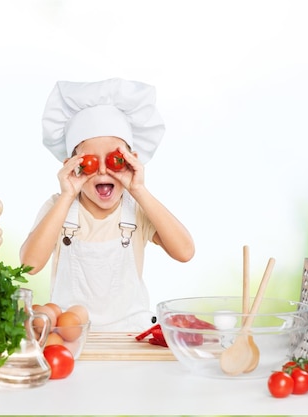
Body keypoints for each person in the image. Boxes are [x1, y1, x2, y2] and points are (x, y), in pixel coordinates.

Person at [20, 78, 195, 332]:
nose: (103, 170)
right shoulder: (58, 207)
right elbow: (29, 265)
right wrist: (68, 195)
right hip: (73, 340)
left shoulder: (137, 208)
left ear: (132, 160)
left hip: (130, 336)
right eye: (90, 162)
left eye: (115, 160)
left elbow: (185, 251)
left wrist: (139, 189)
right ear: (72, 165)